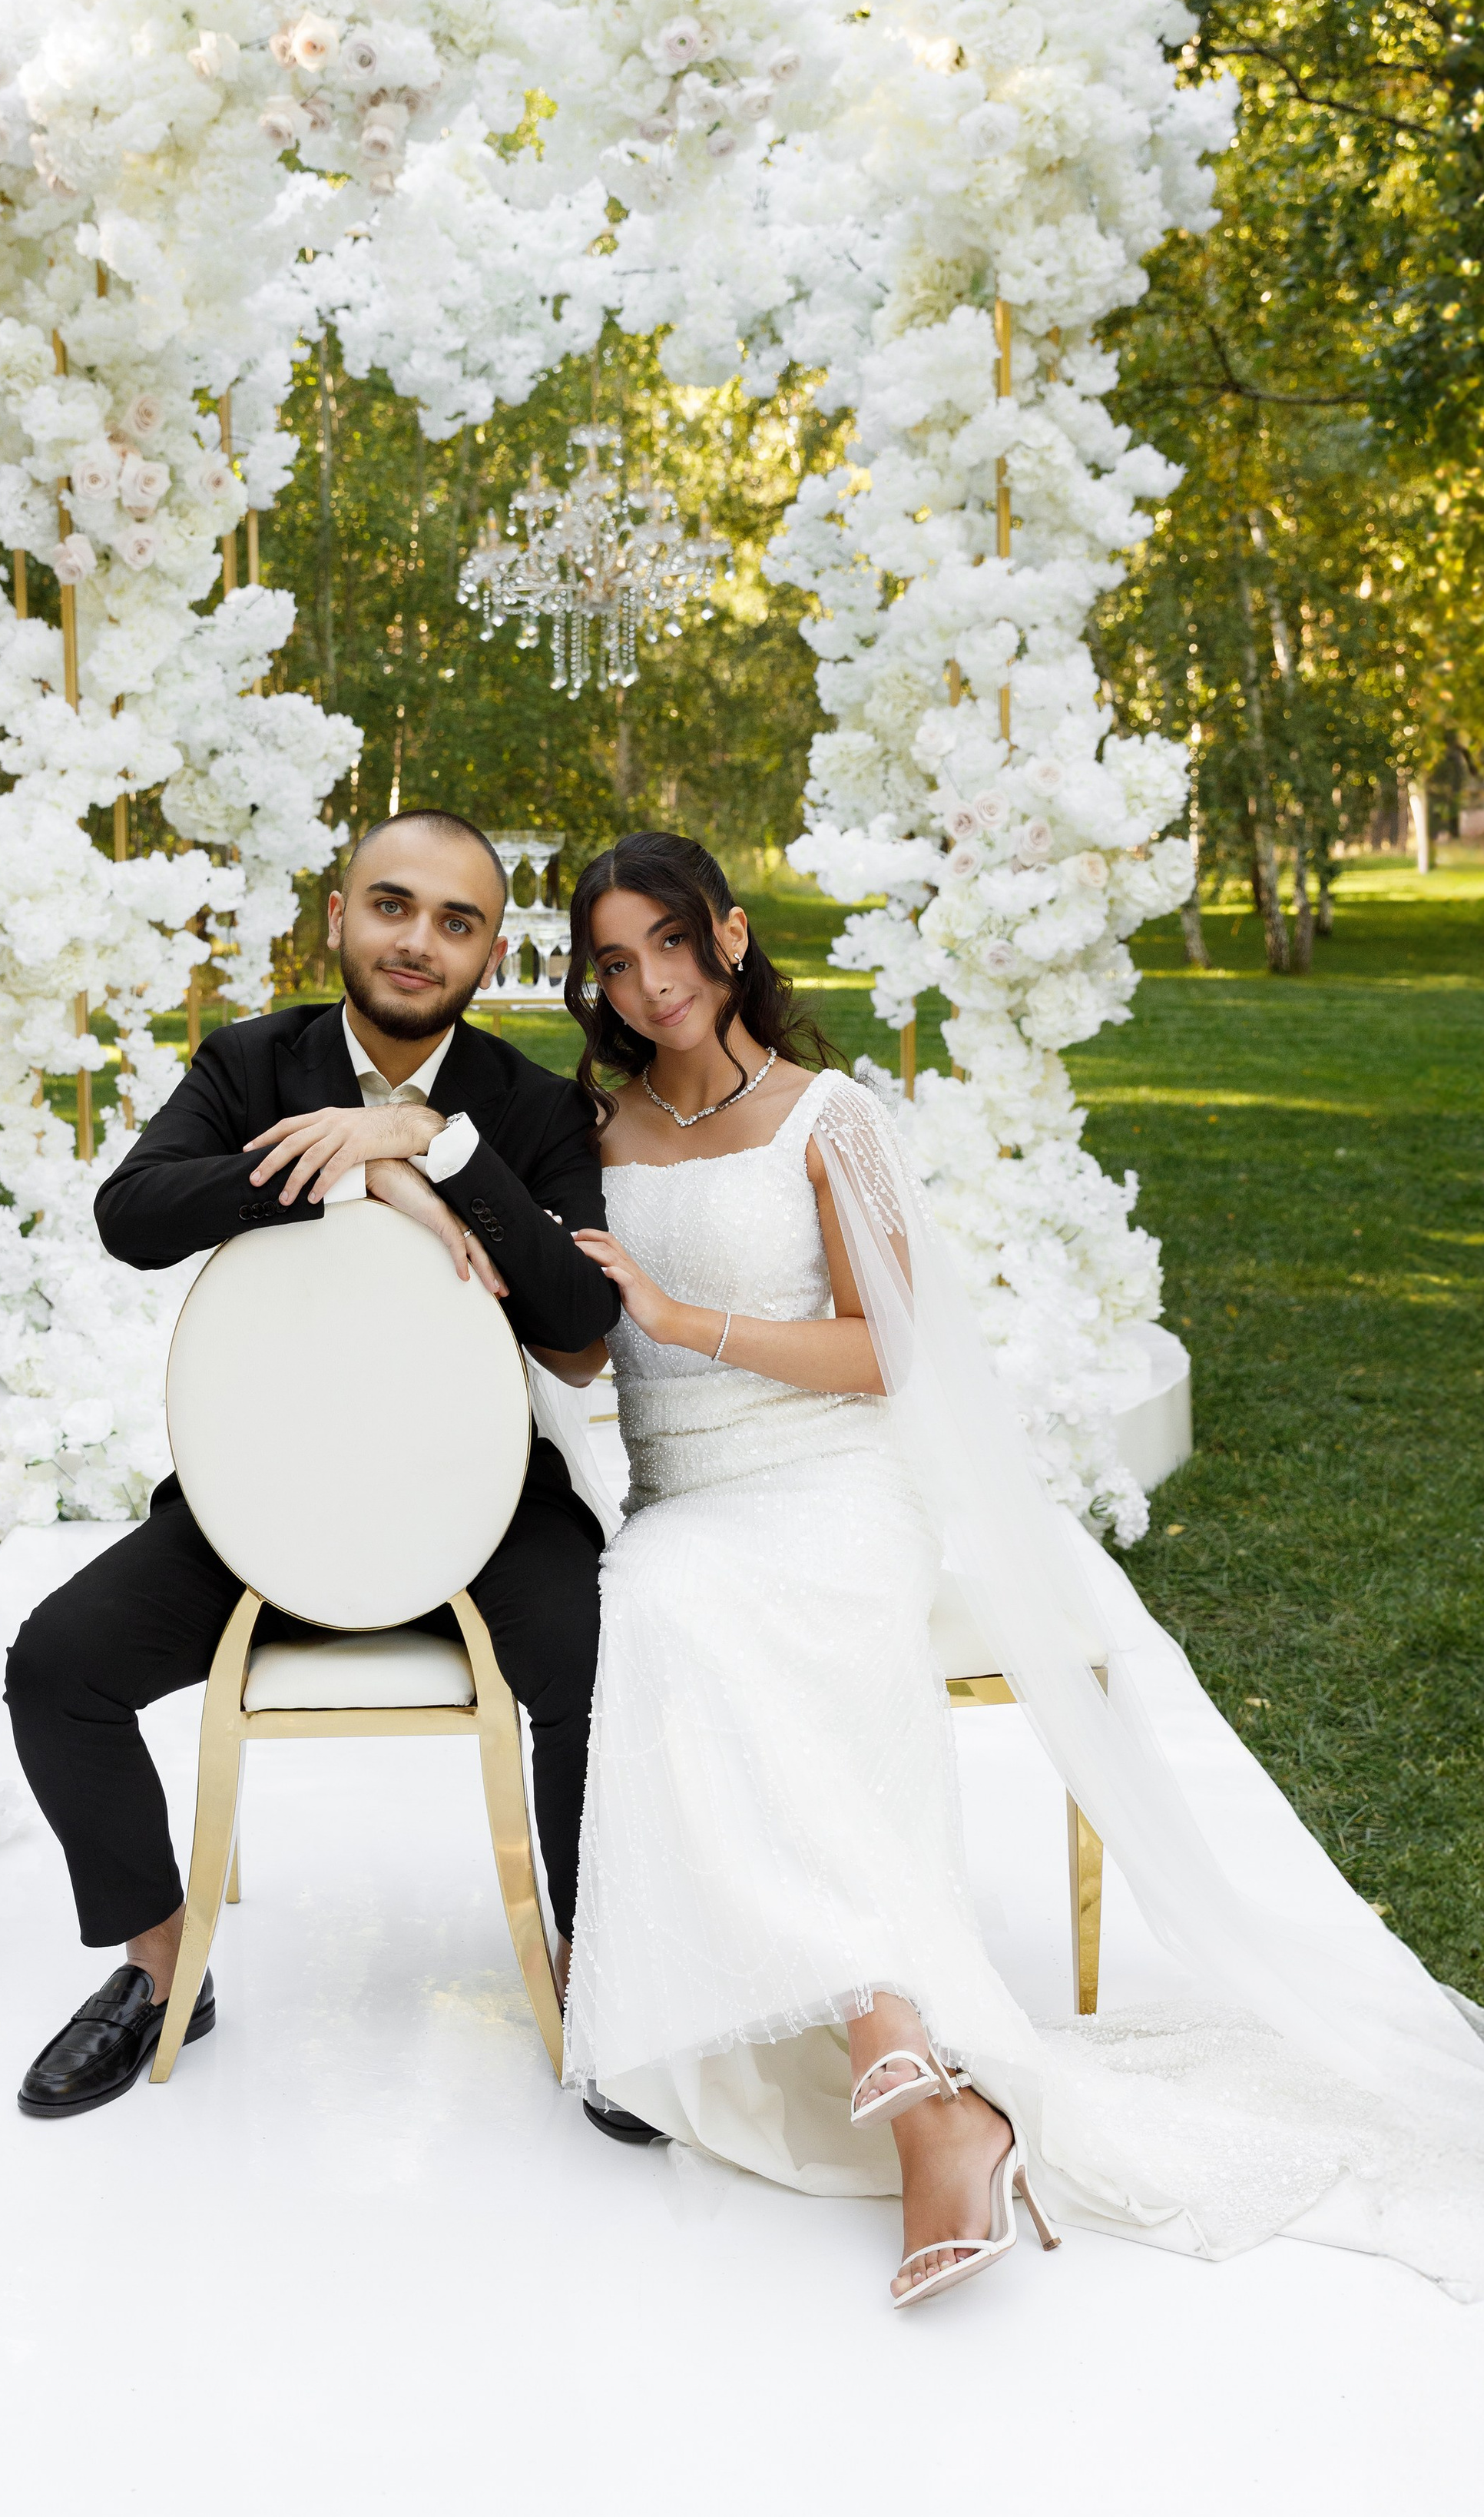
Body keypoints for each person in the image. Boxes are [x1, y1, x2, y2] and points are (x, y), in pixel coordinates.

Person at [551, 831, 1484, 2306]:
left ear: (729, 936)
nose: (650, 981)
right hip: (686, 1504)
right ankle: (929, 2088)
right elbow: (560, 1308)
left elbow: (886, 1355)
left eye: (670, 942)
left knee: (693, 1614)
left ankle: (906, 2063)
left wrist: (679, 1313)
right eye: (614, 959)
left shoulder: (827, 1115)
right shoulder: (590, 1130)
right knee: (663, 1599)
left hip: (830, 1484)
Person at [8, 810, 619, 2118]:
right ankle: (165, 1973)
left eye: (456, 922)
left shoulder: (531, 1102)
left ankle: (595, 1965)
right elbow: (134, 1215)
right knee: (56, 1668)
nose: (418, 941)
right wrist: (353, 1174)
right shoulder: (249, 1060)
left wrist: (433, 1152)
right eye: (392, 906)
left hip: (486, 1496)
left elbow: (580, 1325)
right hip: (262, 1501)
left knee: (596, 1662)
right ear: (339, 917)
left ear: (490, 952)